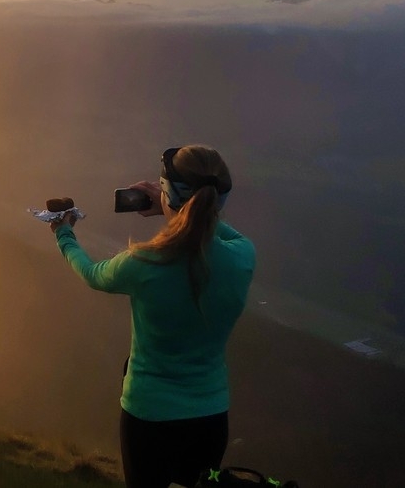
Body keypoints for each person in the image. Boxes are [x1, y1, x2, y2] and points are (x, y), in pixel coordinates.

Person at [49, 145, 255, 488]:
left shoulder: (143, 263)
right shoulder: (243, 257)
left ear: (169, 194)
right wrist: (175, 210)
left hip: (149, 415)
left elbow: (91, 273)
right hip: (211, 417)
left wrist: (63, 233)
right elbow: (215, 228)